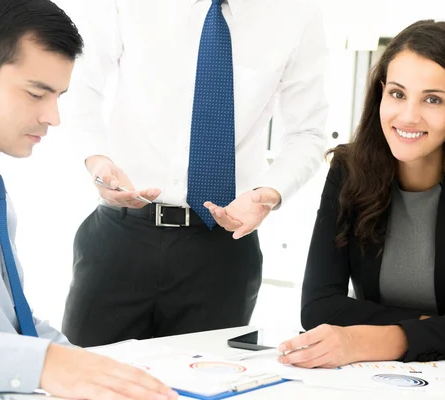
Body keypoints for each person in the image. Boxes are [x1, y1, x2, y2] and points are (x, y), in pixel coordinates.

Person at [277, 19, 445, 369]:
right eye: (397, 93)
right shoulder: (350, 170)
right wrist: (443, 330)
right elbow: (318, 305)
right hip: (402, 369)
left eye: (433, 99)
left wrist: (357, 339)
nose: (407, 116)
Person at [59, 0, 329, 347]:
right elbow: (78, 84)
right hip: (122, 235)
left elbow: (307, 133)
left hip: (222, 247)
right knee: (86, 380)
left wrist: (270, 192)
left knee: (204, 384)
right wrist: (96, 159)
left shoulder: (296, 13)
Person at [0, 1, 177, 398]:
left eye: (58, 96)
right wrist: (49, 364)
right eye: (36, 94)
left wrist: (93, 369)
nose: (53, 117)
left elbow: (9, 323)